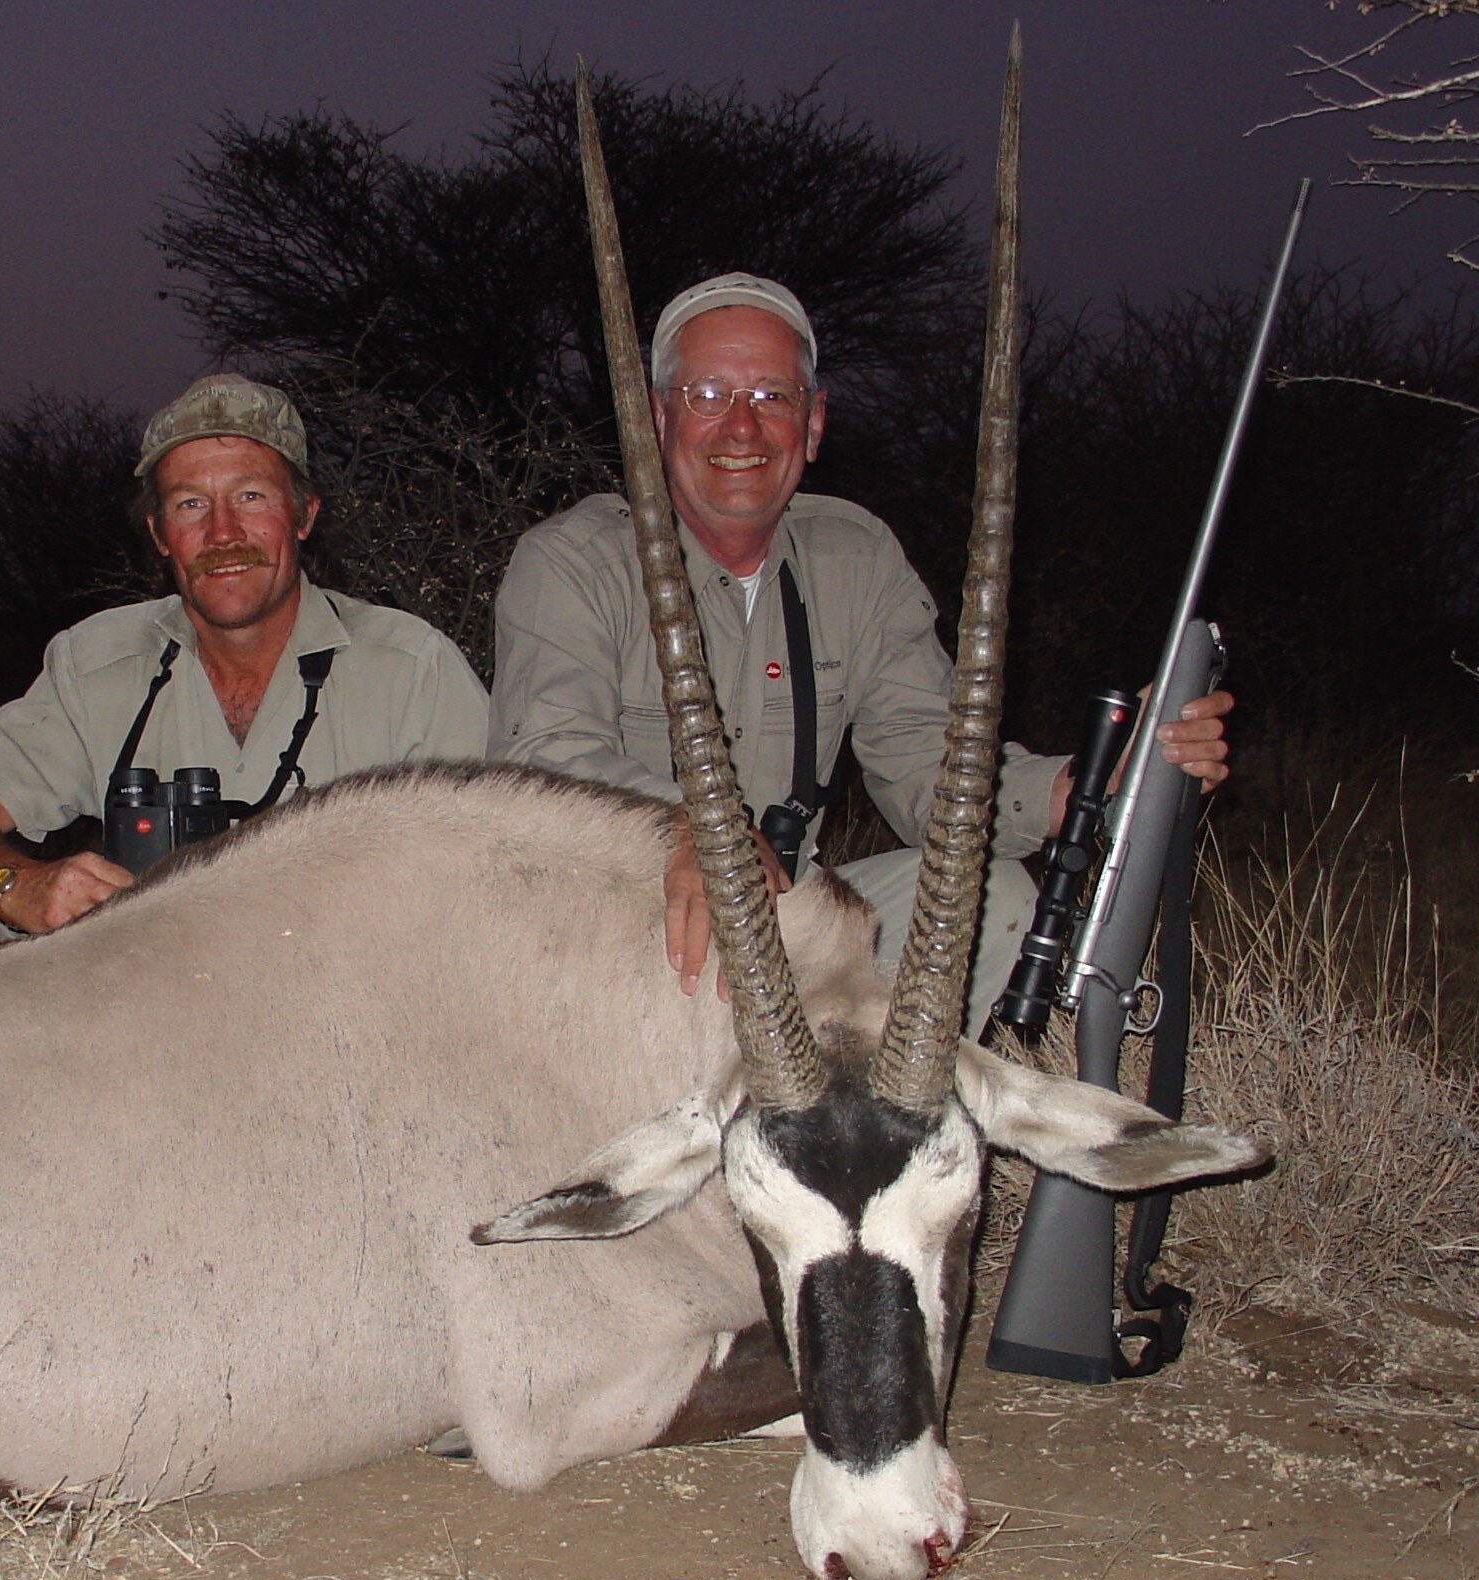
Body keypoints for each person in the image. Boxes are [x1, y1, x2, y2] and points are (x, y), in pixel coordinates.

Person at [491, 273, 1232, 1026]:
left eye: (772, 397)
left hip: (793, 919)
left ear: (812, 425)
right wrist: (691, 830)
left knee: (993, 896)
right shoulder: (570, 561)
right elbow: (545, 756)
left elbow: (926, 769)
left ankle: (877, 1132)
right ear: (656, 420)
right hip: (619, 935)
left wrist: (1092, 785)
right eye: (707, 395)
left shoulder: (857, 554)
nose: (741, 429)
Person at [0, 373, 491, 961]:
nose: (222, 532)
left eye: (250, 495)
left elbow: (488, 872)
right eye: (191, 504)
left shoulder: (412, 666)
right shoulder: (95, 658)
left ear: (302, 516)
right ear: (160, 533)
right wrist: (17, 884)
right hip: (147, 978)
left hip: (337, 976)